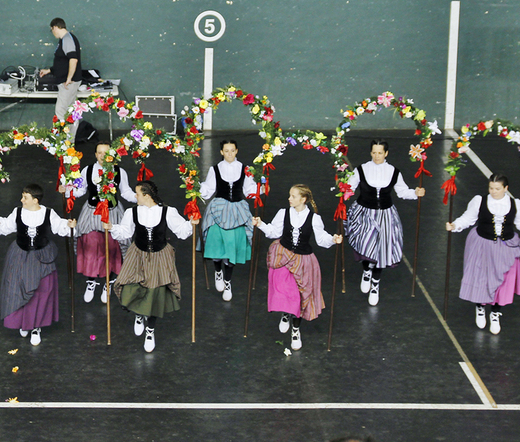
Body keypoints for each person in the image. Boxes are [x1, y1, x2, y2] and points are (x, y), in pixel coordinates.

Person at [446, 174, 520, 335]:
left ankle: (495, 313)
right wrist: (455, 225)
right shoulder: (479, 201)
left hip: (506, 245)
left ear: (506, 188)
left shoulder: (515, 204)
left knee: (504, 280)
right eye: (491, 188)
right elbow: (468, 218)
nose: (493, 191)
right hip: (483, 243)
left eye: (497, 188)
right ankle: (480, 307)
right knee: (481, 277)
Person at [106, 180, 197, 352]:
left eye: (138, 193)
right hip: (138, 254)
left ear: (147, 196)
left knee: (155, 293)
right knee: (131, 286)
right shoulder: (132, 212)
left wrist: (191, 223)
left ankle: (150, 330)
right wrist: (112, 227)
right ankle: (139, 314)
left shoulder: (167, 212)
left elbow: (181, 231)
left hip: (159, 255)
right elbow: (125, 232)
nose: (135, 196)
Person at [251, 185, 343, 351]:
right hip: (283, 256)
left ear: (303, 199)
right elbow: (274, 231)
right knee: (285, 290)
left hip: (303, 260)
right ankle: (285, 313)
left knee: (300, 297)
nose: (289, 199)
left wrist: (333, 239)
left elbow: (321, 239)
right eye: (290, 195)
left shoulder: (314, 218)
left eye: (293, 196)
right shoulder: (283, 213)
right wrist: (260, 224)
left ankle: (295, 329)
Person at [0, 184, 76, 346]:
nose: (22, 200)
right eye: (22, 196)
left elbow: (60, 226)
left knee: (41, 291)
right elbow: (7, 226)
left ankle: (36, 327)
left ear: (35, 200)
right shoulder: (18, 212)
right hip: (20, 255)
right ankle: (23, 322)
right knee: (17, 289)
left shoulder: (48, 213)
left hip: (42, 256)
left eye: (25, 197)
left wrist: (69, 226)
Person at [344, 138, 425, 306]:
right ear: (370, 152)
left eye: (380, 153)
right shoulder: (361, 170)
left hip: (385, 215)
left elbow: (402, 192)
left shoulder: (394, 172)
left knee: (382, 250)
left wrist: (415, 193)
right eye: (374, 152)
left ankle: (375, 283)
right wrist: (343, 190)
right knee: (365, 244)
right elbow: (349, 188)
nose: (377, 156)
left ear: (386, 153)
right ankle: (366, 270)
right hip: (364, 212)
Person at [66, 140, 136, 303]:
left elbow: (125, 192)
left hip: (112, 213)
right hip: (92, 212)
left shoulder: (119, 171)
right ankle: (91, 281)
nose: (103, 156)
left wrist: (140, 198)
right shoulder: (88, 170)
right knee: (91, 245)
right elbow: (81, 190)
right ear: (95, 154)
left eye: (106, 152)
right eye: (99, 152)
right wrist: (68, 191)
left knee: (112, 247)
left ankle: (108, 282)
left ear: (112, 154)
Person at [198, 139, 257, 301]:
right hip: (219, 208)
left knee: (232, 245)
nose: (230, 154)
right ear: (221, 152)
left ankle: (228, 281)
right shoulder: (215, 169)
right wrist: (196, 187)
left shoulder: (245, 169)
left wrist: (261, 189)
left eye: (232, 150)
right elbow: (208, 189)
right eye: (226, 151)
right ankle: (218, 271)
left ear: (236, 151)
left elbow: (249, 190)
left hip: (237, 210)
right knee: (216, 241)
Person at [38, 18, 82, 142]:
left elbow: (73, 59)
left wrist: (69, 78)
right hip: (67, 81)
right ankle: (68, 141)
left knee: (61, 112)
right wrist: (50, 70)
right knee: (70, 112)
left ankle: (64, 142)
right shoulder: (64, 40)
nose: (52, 32)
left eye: (52, 30)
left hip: (68, 83)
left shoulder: (67, 39)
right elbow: (62, 61)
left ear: (55, 27)